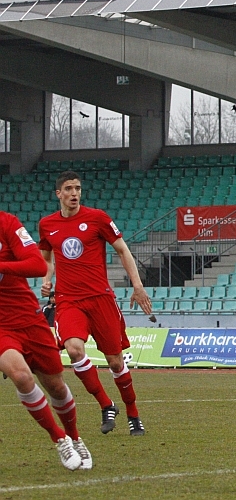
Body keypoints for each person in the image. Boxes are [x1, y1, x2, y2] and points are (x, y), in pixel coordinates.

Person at [39, 171, 152, 436]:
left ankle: (133, 413)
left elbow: (122, 249)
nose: (74, 193)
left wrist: (137, 286)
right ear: (58, 194)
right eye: (69, 189)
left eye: (78, 188)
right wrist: (47, 280)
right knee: (74, 350)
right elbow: (46, 257)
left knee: (115, 362)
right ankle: (106, 404)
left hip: (100, 298)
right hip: (68, 301)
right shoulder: (47, 224)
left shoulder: (97, 218)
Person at [0, 208, 91, 470]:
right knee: (21, 377)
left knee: (56, 386)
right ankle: (59, 439)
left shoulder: (7, 223)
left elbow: (38, 265)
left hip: (28, 318)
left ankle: (75, 437)